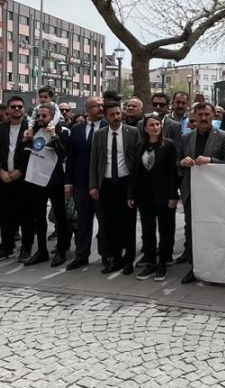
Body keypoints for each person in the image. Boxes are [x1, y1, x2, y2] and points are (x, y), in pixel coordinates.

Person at [178, 100, 225, 282]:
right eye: (199, 114)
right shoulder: (186, 138)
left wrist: (211, 161)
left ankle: (217, 266)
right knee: (191, 230)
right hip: (191, 192)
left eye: (207, 114)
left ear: (213, 116)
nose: (203, 118)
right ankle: (194, 267)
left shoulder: (223, 137)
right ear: (194, 116)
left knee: (213, 230)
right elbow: (176, 163)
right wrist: (182, 162)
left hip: (213, 194)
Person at [90, 100, 140, 273]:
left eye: (118, 113)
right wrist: (93, 185)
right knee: (110, 224)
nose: (116, 117)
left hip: (126, 183)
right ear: (106, 116)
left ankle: (129, 260)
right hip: (107, 184)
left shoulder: (132, 132)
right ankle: (115, 258)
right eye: (112, 114)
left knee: (128, 223)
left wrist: (135, 188)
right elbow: (94, 161)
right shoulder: (99, 135)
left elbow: (137, 160)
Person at [130, 114, 180, 279]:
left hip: (164, 195)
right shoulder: (139, 147)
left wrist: (173, 195)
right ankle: (151, 262)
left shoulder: (168, 145)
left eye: (158, 124)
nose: (155, 128)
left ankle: (162, 263)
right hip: (144, 196)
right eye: (151, 125)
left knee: (165, 230)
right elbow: (135, 172)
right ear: (145, 128)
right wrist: (131, 194)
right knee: (148, 230)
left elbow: (172, 172)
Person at [23, 102, 71, 268]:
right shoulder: (35, 130)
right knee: (39, 217)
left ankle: (62, 249)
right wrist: (26, 140)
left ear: (53, 116)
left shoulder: (62, 131)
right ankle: (41, 250)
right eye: (39, 116)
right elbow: (29, 151)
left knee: (60, 217)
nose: (41, 118)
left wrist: (54, 135)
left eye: (45, 116)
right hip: (36, 179)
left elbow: (63, 153)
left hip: (55, 180)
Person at [64, 95, 105, 270]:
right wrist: (68, 182)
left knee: (104, 221)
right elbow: (71, 157)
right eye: (97, 106)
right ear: (88, 109)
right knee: (83, 222)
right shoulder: (77, 129)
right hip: (81, 183)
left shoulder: (107, 126)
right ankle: (81, 255)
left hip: (103, 183)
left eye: (102, 105)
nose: (101, 108)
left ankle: (106, 255)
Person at [0, 96, 33, 261]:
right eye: (13, 106)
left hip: (23, 179)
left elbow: (33, 152)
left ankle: (26, 248)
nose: (16, 109)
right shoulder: (0, 128)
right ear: (8, 109)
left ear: (24, 109)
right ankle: (7, 247)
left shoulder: (30, 128)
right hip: (4, 178)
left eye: (19, 106)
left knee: (26, 215)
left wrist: (20, 171)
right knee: (5, 214)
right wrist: (0, 171)